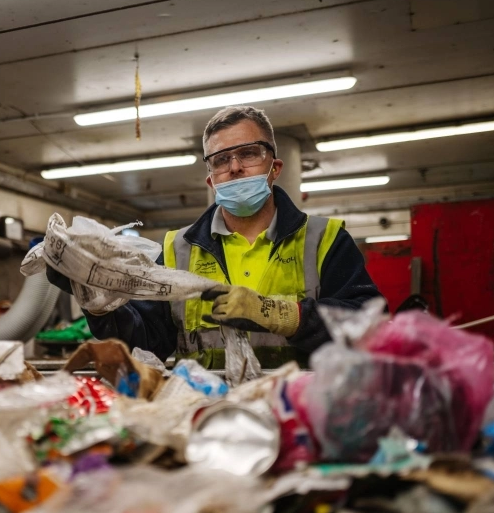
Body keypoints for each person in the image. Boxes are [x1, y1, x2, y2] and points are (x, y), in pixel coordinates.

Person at [46, 105, 382, 368]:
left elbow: (371, 329)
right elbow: (147, 344)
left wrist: (281, 315)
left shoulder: (325, 239)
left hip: (302, 412)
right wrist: (101, 308)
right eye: (221, 160)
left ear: (274, 167)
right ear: (211, 179)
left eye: (249, 153)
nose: (234, 166)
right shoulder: (176, 249)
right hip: (207, 413)